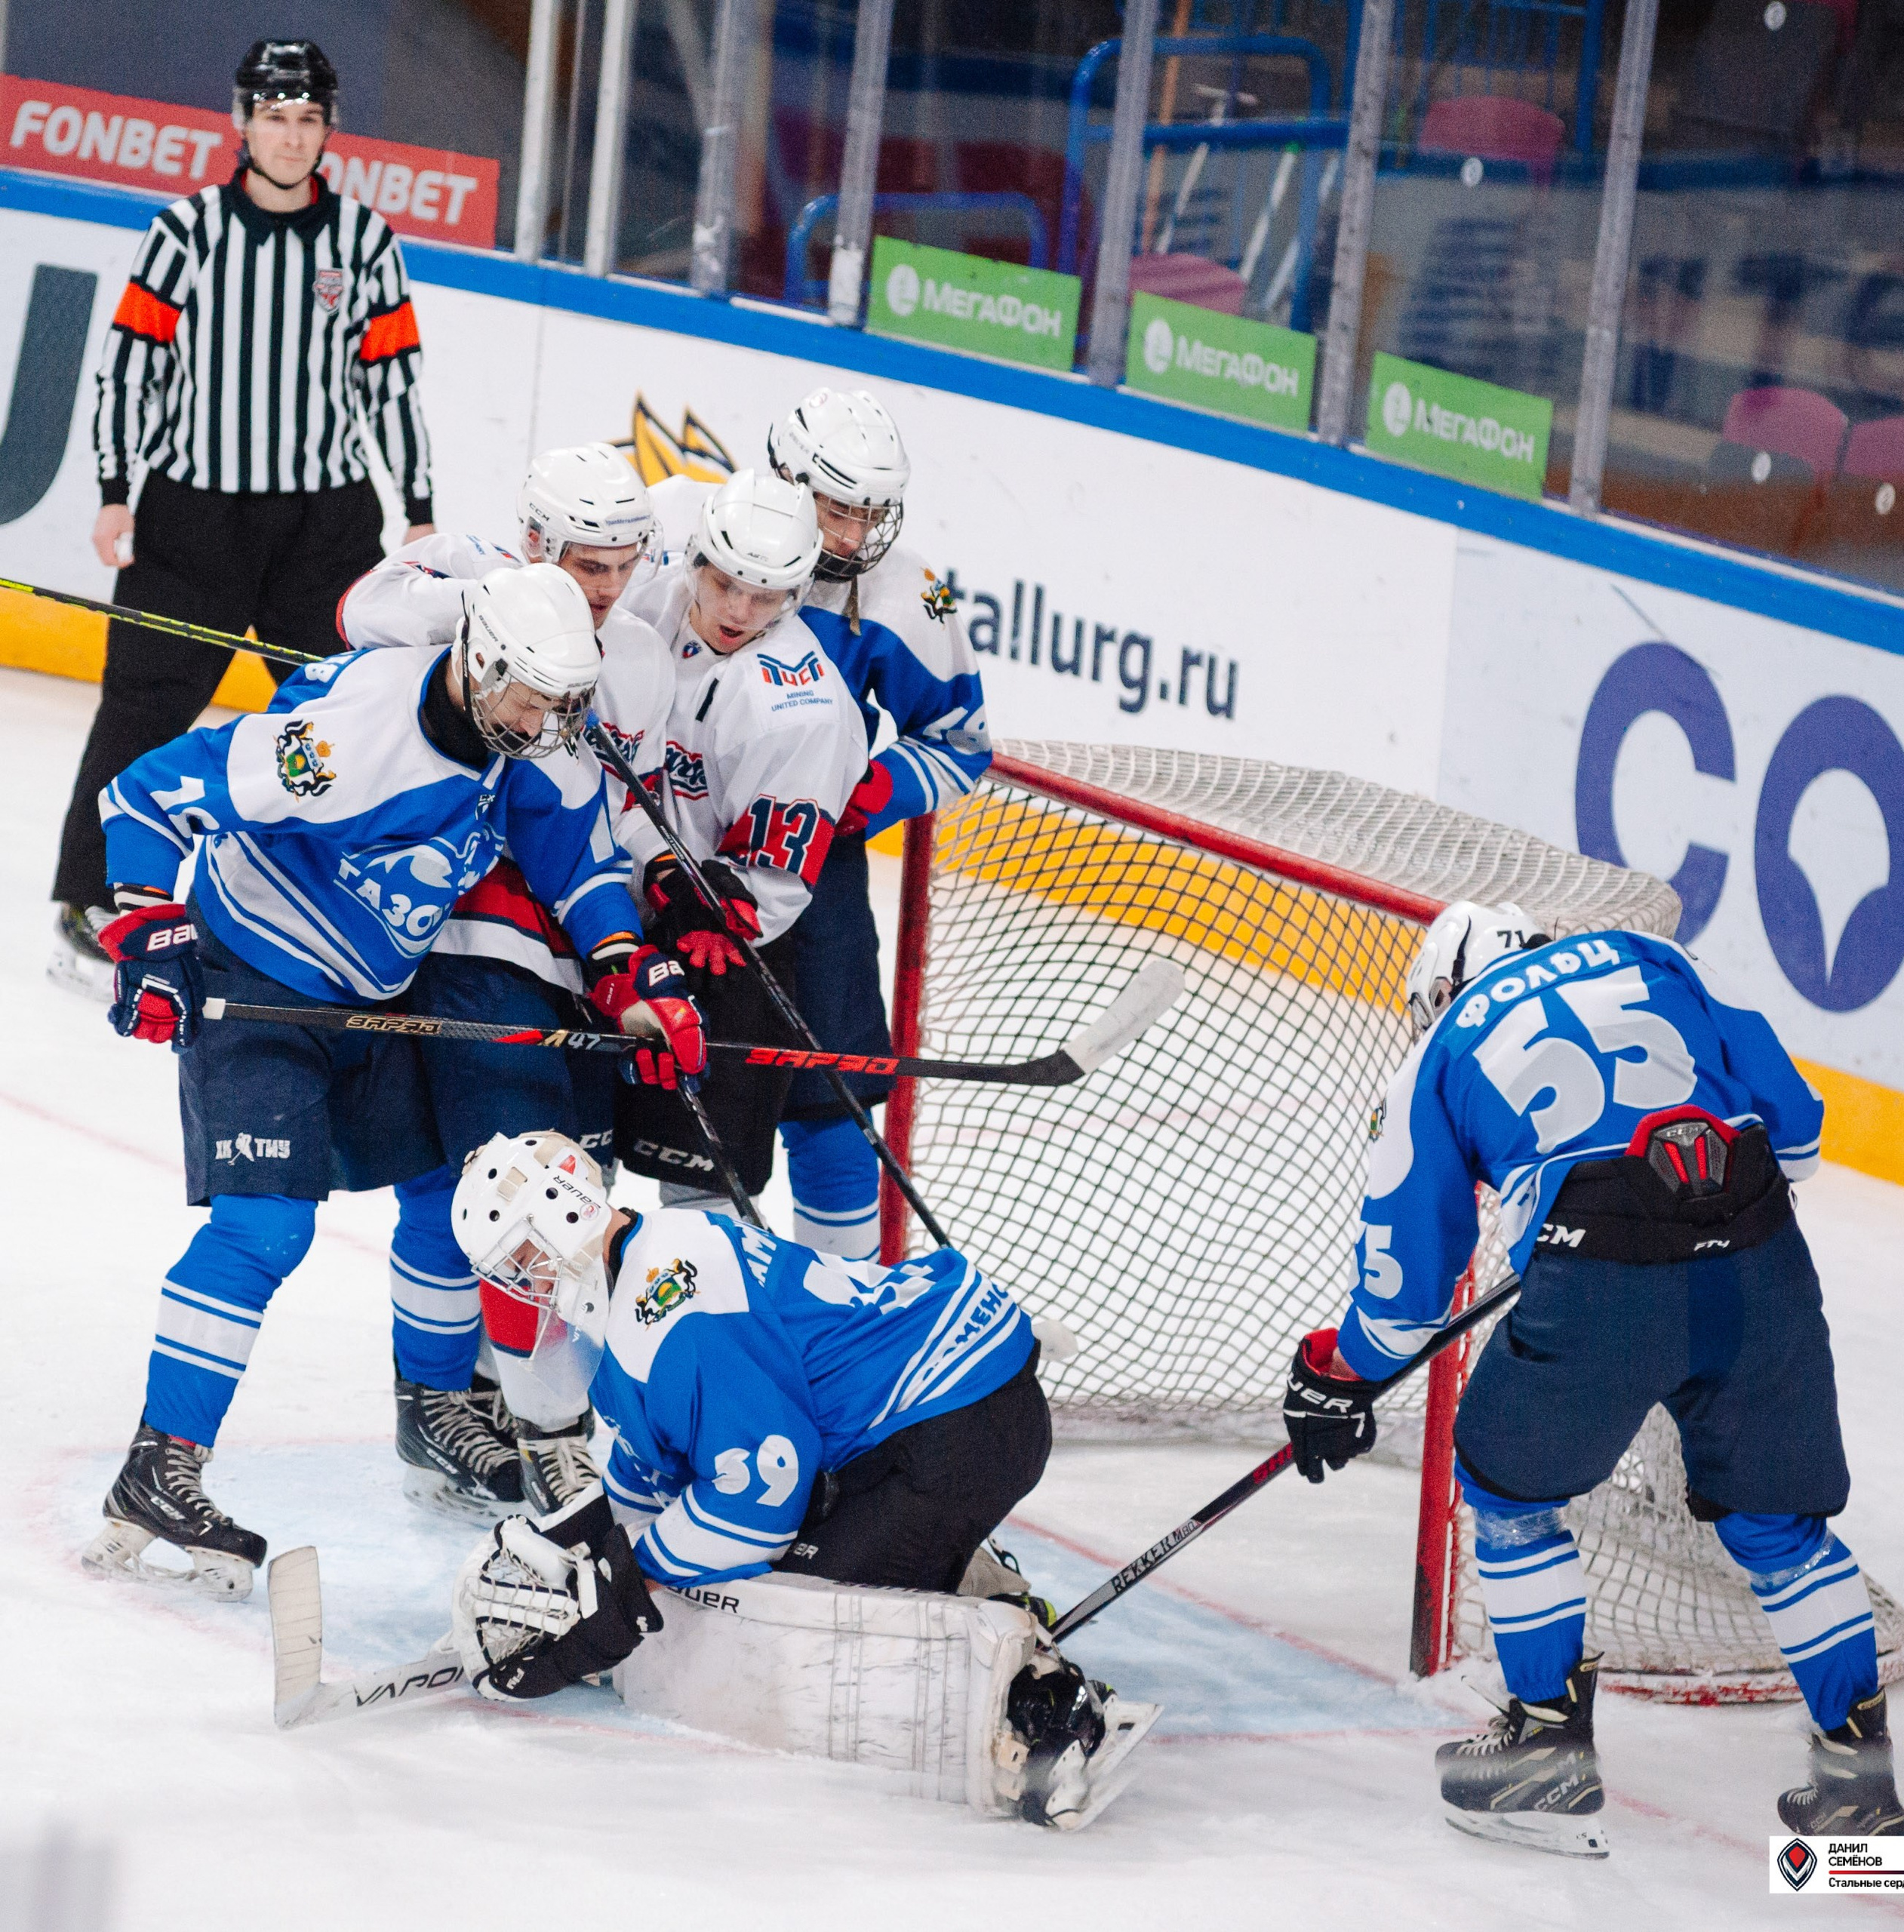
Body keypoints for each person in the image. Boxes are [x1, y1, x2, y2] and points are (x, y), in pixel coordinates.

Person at [81, 567, 698, 1600]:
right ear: (482, 664)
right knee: (263, 1231)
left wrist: (631, 975)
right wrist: (147, 926)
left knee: (439, 1192)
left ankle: (433, 1413)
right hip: (259, 975)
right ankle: (161, 1466)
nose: (550, 723)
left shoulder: (525, 741)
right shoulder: (354, 734)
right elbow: (146, 790)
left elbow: (578, 866)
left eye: (562, 704)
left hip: (366, 997)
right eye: (534, 699)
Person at [1278, 903, 1904, 1854]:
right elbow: (1798, 1139)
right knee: (1775, 1523)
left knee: (1509, 1492)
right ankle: (1861, 1809)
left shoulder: (1442, 1046)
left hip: (1601, 1285)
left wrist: (1343, 1375)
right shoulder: (1649, 954)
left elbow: (1403, 1287)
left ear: (1444, 987)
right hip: (1758, 1257)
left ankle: (1544, 1756)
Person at [438, 1127, 1150, 1826]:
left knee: (798, 1624)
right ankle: (972, 1586)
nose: (524, 1283)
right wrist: (582, 1559)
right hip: (931, 1418)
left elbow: (758, 1504)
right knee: (738, 1581)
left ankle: (1055, 1713)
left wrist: (628, 1580)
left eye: (521, 1257)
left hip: (960, 1424)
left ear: (564, 1213)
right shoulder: (644, 1270)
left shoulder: (673, 1302)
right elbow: (654, 1468)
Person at [339, 444, 684, 1515]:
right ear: (536, 541)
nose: (607, 585)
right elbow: (358, 614)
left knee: (570, 1178)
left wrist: (640, 936)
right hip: (462, 938)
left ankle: (493, 1392)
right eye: (586, 562)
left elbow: (613, 815)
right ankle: (491, 1416)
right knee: (488, 1180)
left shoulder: (639, 653)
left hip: (575, 948)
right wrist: (479, 604)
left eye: (625, 564)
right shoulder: (465, 574)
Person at [51, 38, 436, 997]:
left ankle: (340, 900)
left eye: (308, 118)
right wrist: (114, 487)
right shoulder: (184, 232)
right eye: (274, 115)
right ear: (242, 122)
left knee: (347, 713)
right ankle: (90, 897)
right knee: (144, 704)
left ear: (328, 126)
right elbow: (132, 366)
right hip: (193, 515)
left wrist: (419, 508)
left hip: (325, 525)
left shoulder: (365, 240)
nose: (291, 135)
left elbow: (392, 385)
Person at [625, 389, 988, 1260]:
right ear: (783, 478)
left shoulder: (909, 594)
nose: (855, 537)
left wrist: (862, 794)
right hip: (645, 836)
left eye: (870, 513)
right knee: (647, 1086)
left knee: (833, 1095)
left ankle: (843, 1308)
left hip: (796, 862)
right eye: (836, 508)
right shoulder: (685, 521)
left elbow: (963, 744)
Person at [608, 467, 868, 1224]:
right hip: (587, 906)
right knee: (562, 1148)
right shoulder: (637, 584)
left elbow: (771, 885)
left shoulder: (804, 710)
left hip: (707, 940)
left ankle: (705, 1331)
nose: (739, 610)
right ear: (694, 557)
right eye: (724, 584)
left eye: (768, 596)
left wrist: (719, 896)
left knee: (701, 1182)